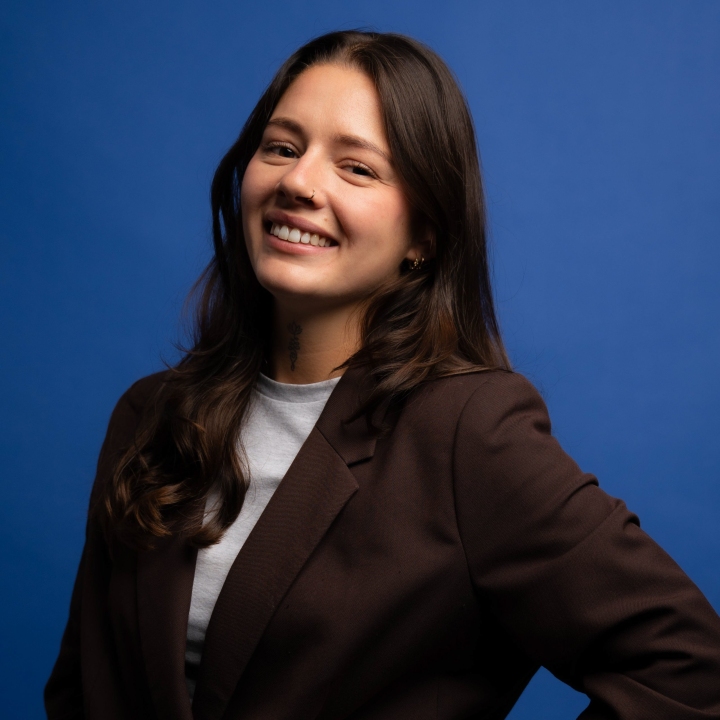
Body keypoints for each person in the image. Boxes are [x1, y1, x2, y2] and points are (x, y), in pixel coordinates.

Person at [45, 30, 720, 720]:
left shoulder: (467, 434)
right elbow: (83, 690)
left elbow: (691, 669)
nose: (298, 183)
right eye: (281, 148)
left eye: (357, 168)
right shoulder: (150, 415)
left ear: (424, 236)